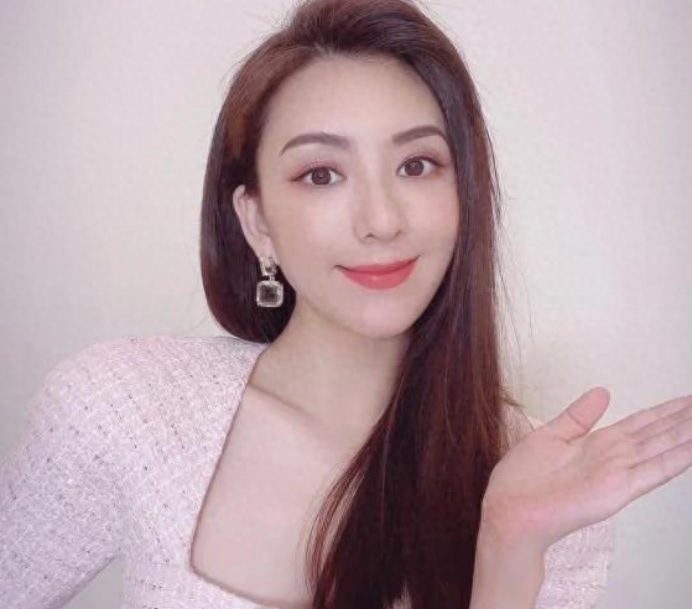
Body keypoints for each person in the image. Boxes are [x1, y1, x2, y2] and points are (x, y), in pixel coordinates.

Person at [1, 0, 691, 608]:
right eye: (321, 174)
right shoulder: (124, 410)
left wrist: (510, 543)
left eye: (417, 165)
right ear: (256, 221)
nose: (381, 220)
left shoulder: (549, 482)